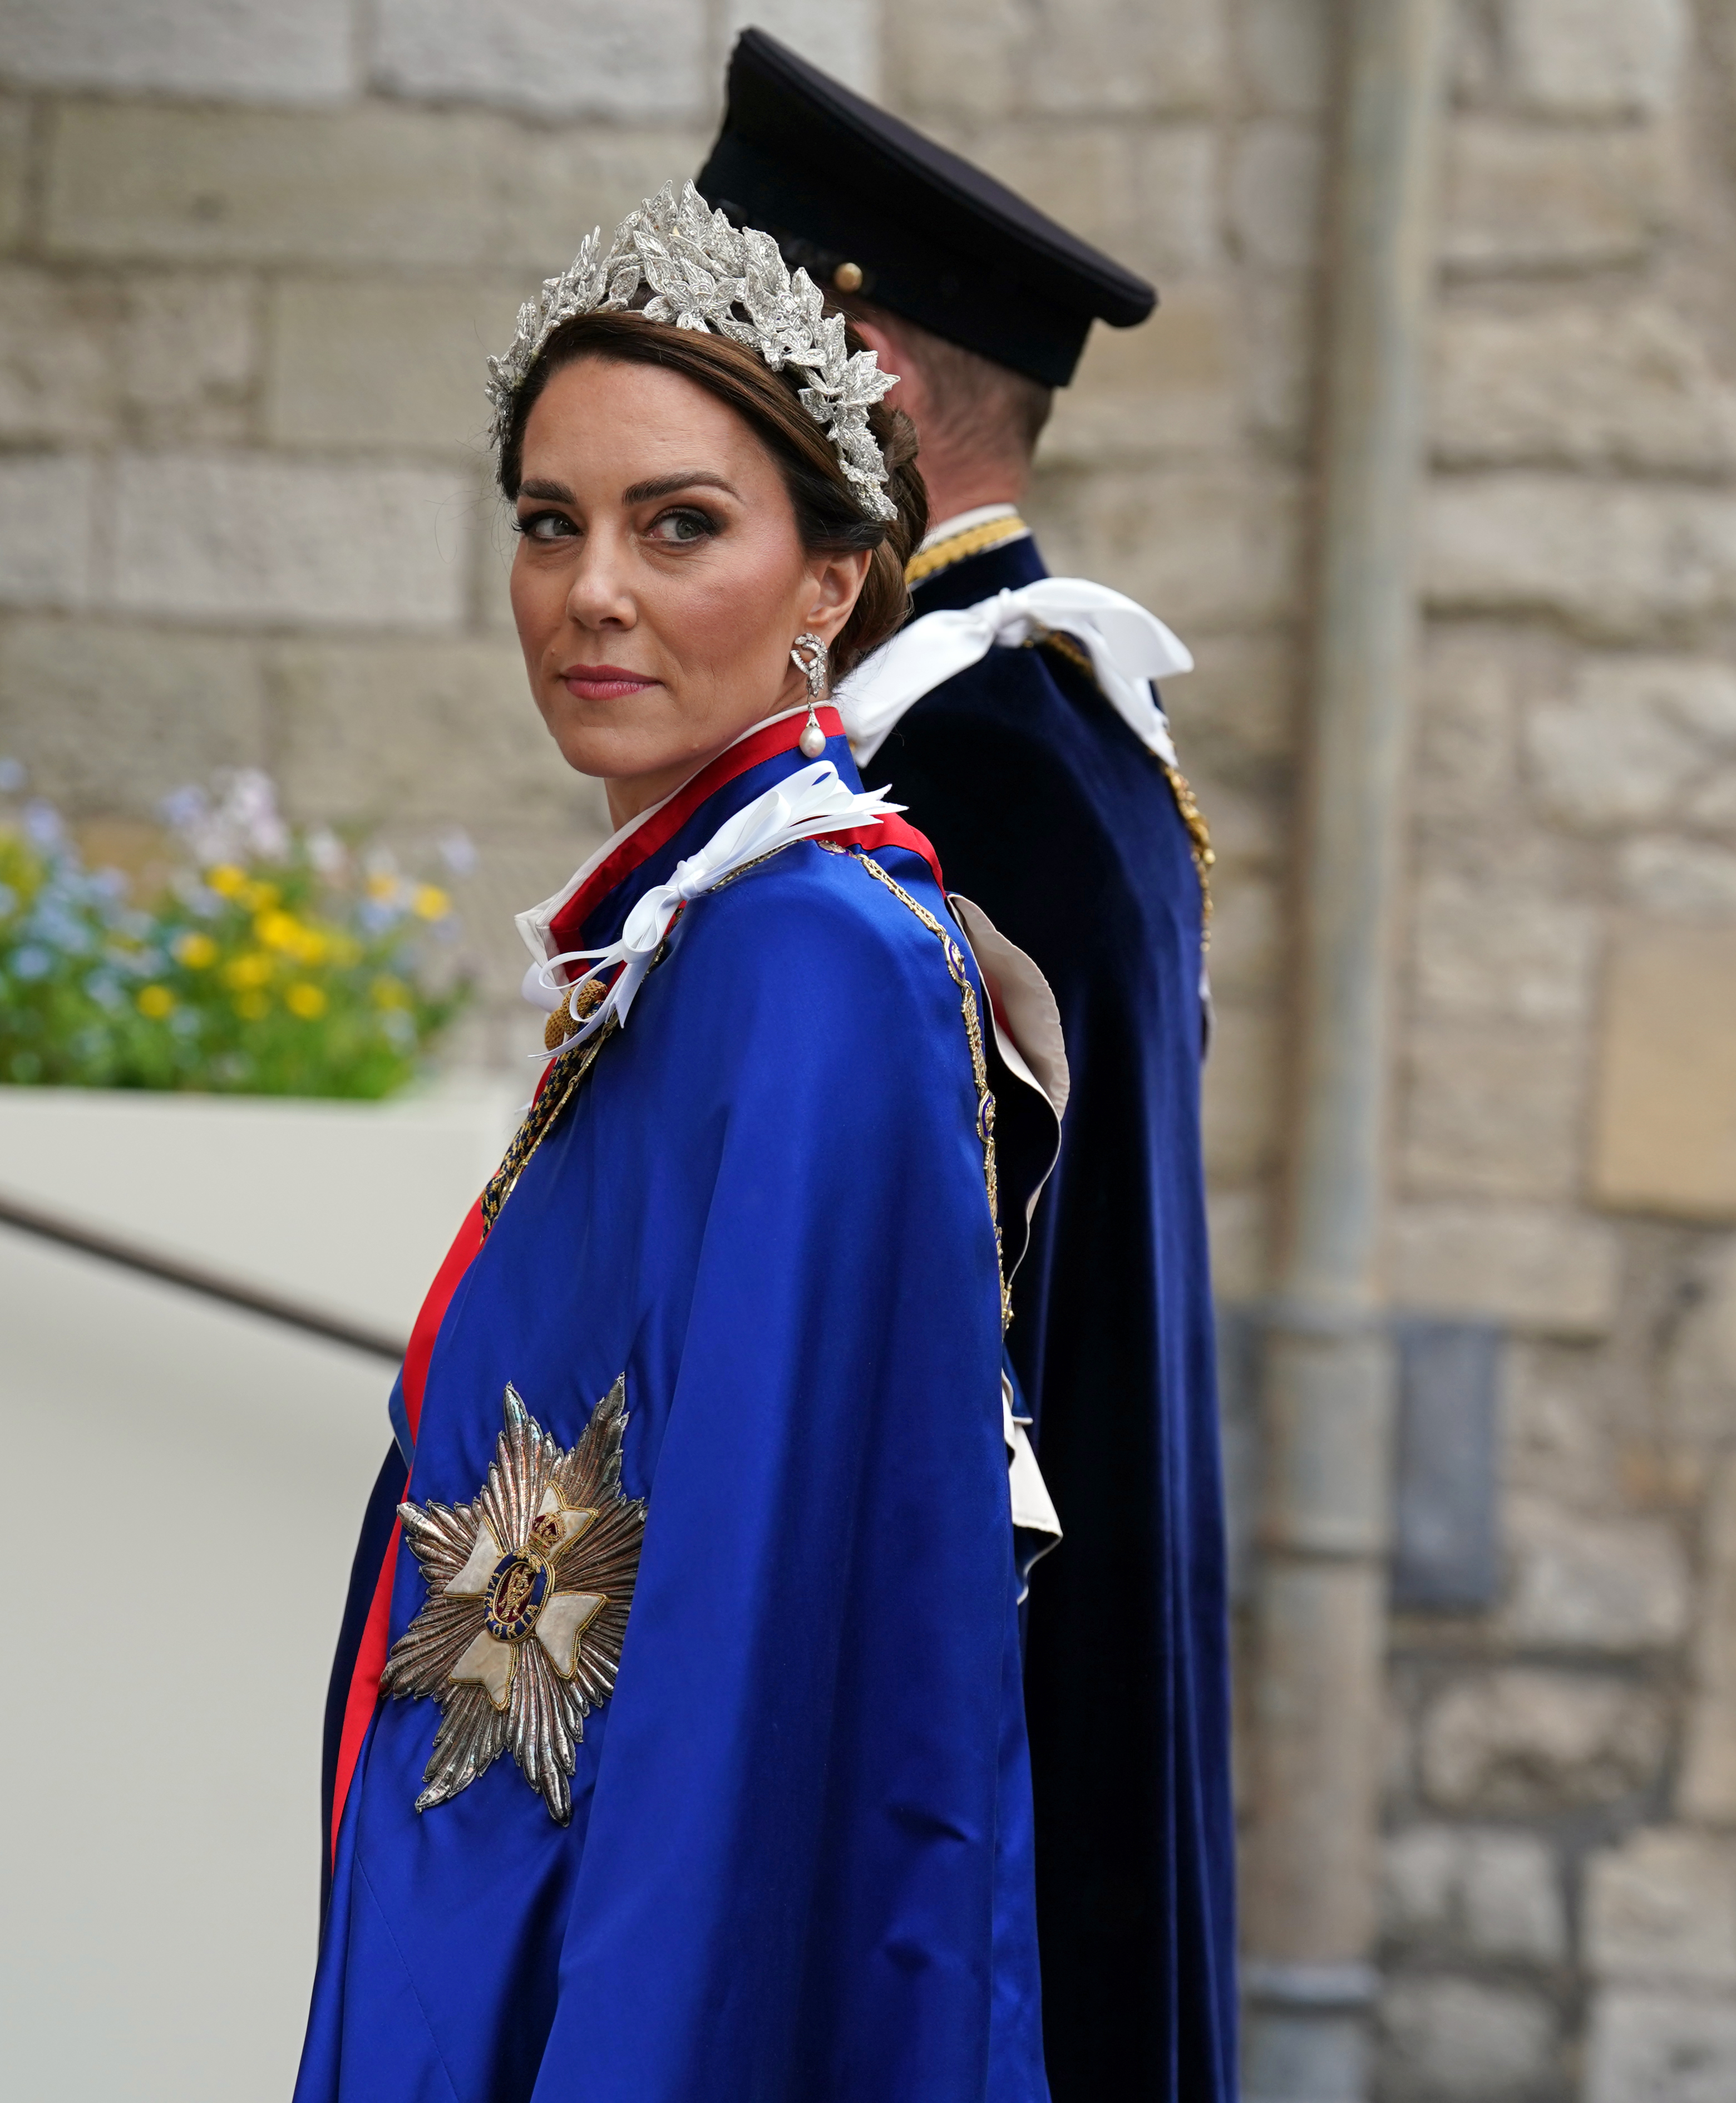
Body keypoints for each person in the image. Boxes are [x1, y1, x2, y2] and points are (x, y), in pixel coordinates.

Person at [296, 180, 1073, 2103]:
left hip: (616, 1970)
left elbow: (753, 1642)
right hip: (515, 1902)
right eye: (549, 525)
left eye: (680, 526)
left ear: (832, 580)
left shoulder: (809, 960)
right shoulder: (708, 927)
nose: (593, 593)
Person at [698, 34, 1237, 2103]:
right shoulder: (1044, 729)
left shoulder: (960, 768)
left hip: (965, 1756)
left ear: (873, 382)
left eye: (732, 354)